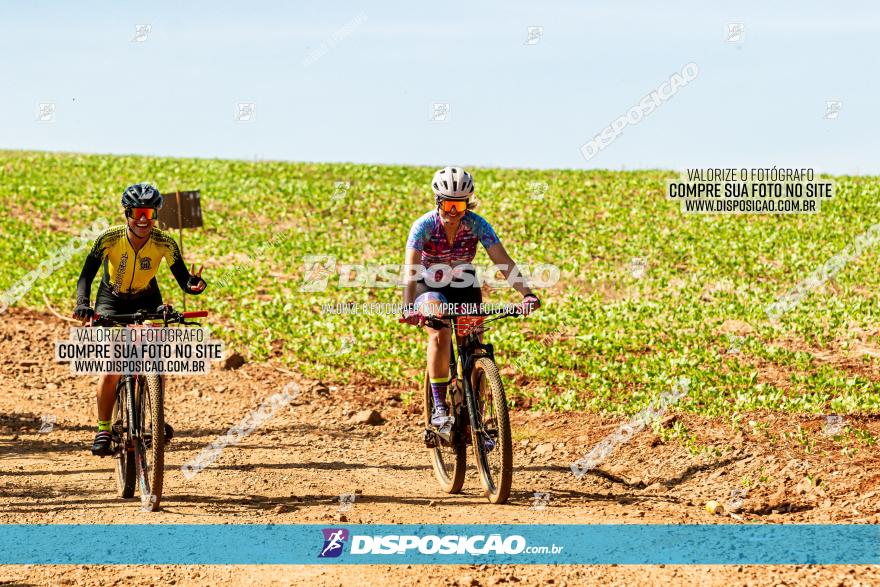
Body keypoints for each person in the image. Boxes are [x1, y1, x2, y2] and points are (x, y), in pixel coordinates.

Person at [401, 166, 540, 438]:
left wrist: (526, 293)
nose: (454, 211)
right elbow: (411, 269)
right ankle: (440, 408)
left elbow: (503, 260)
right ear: (438, 202)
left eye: (460, 204)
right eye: (449, 204)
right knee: (440, 331)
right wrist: (408, 306)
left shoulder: (477, 224)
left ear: (468, 202)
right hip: (429, 284)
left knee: (473, 343)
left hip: (464, 284)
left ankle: (475, 413)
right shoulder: (423, 226)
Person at [73, 183, 207, 456]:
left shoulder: (164, 242)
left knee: (153, 357)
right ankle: (103, 428)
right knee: (113, 365)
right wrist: (83, 305)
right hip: (112, 298)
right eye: (137, 213)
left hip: (147, 297)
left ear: (156, 214)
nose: (143, 219)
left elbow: (183, 279)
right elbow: (86, 276)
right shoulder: (108, 238)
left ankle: (155, 416)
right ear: (127, 213)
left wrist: (194, 285)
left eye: (149, 212)